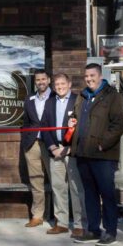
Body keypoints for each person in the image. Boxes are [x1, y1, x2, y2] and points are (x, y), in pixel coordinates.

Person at [69, 63, 123, 246]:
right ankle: (93, 230)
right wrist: (73, 123)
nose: (89, 79)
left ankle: (110, 231)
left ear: (100, 76)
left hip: (103, 156)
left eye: (92, 75)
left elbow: (119, 124)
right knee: (90, 194)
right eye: (86, 76)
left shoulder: (112, 96)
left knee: (107, 194)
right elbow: (79, 120)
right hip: (83, 154)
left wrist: (103, 144)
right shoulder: (82, 96)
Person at [41, 73, 86, 237]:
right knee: (58, 188)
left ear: (69, 83)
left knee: (76, 188)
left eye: (62, 83)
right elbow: (44, 125)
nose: (59, 87)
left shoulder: (78, 100)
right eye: (57, 84)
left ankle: (80, 224)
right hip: (55, 151)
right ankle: (62, 223)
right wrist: (53, 147)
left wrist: (67, 149)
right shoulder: (50, 102)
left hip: (71, 151)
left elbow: (82, 127)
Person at [21, 69, 53, 229]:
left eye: (43, 79)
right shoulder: (29, 99)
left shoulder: (56, 97)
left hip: (51, 144)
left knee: (58, 179)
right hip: (32, 143)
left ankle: (60, 216)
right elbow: (26, 122)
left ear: (49, 80)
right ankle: (38, 215)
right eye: (38, 80)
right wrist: (26, 139)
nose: (40, 82)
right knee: (36, 180)